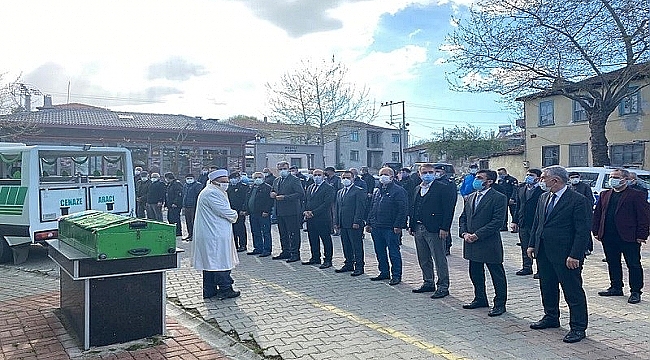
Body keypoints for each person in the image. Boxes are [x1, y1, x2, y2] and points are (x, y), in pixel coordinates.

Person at [527, 165, 590, 343]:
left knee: (572, 291)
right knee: (547, 286)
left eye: (543, 178)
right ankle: (551, 317)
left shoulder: (578, 200)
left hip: (566, 255)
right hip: (544, 251)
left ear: (556, 180)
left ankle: (578, 327)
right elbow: (538, 223)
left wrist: (575, 255)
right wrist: (532, 244)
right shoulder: (543, 197)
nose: (541, 180)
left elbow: (582, 231)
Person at [592, 168, 650, 304]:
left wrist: (642, 235)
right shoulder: (605, 194)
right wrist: (596, 231)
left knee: (633, 264)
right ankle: (616, 286)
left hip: (629, 236)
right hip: (608, 235)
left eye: (616, 177)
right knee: (612, 262)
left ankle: (635, 291)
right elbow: (598, 214)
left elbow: (644, 217)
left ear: (625, 179)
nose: (613, 179)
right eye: (611, 177)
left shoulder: (636, 195)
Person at [459, 169, 508, 317]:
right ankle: (480, 298)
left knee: (496, 274)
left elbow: (497, 222)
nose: (476, 180)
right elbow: (463, 218)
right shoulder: (471, 197)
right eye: (476, 177)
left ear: (489, 182)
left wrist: (477, 235)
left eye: (480, 178)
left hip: (488, 242)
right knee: (475, 272)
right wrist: (464, 233)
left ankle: (500, 304)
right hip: (471, 242)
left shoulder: (498, 198)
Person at [409, 163, 457, 299]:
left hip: (435, 229)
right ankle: (428, 282)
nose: (428, 175)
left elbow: (448, 210)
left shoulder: (443, 188)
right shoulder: (418, 188)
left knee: (439, 258)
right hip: (419, 227)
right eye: (424, 172)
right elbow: (413, 207)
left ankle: (443, 286)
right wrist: (411, 226)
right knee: (423, 258)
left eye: (431, 172)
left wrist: (444, 228)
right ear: (419, 174)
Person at [191, 169, 240, 300]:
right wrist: (235, 214)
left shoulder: (214, 191)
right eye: (223, 182)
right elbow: (225, 212)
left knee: (210, 263)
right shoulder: (212, 193)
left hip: (214, 233)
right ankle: (225, 288)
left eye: (227, 181)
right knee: (219, 262)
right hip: (214, 234)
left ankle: (210, 290)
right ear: (214, 181)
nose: (226, 184)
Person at [366, 167, 408, 285]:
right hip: (376, 227)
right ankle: (384, 272)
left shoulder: (398, 190)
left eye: (385, 174)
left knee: (393, 252)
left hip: (390, 227)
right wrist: (369, 223)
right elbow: (372, 207)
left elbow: (402, 209)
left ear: (392, 176)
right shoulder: (377, 190)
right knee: (380, 251)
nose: (383, 176)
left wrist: (398, 225)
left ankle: (396, 275)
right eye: (381, 174)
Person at [511, 169, 544, 277]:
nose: (528, 177)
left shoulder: (542, 191)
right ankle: (527, 267)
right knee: (525, 246)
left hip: (537, 223)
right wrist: (514, 221)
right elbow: (518, 206)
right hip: (523, 222)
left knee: (538, 247)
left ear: (538, 178)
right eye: (527, 174)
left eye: (531, 175)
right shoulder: (521, 189)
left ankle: (540, 270)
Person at [334, 170, 367, 276]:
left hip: (354, 223)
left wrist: (357, 221)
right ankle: (348, 263)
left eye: (348, 178)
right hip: (343, 223)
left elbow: (360, 208)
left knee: (356, 246)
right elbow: (337, 208)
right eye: (343, 178)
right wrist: (337, 222)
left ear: (353, 179)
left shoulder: (358, 191)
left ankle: (359, 266)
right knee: (346, 245)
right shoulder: (340, 192)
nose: (345, 180)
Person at [271, 161, 305, 262]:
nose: (282, 171)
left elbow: (300, 194)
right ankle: (285, 251)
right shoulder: (277, 180)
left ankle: (295, 253)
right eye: (280, 169)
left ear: (288, 169)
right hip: (280, 211)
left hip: (292, 211)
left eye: (284, 168)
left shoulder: (294, 180)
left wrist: (285, 197)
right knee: (283, 233)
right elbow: (273, 190)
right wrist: (272, 193)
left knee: (293, 233)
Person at [302, 169, 336, 269]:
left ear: (323, 176)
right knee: (313, 239)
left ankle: (328, 260)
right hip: (310, 218)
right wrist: (305, 211)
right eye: (315, 175)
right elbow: (306, 200)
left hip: (322, 218)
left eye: (319, 175)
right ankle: (315, 257)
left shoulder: (328, 188)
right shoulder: (310, 187)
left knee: (326, 239)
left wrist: (314, 212)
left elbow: (327, 204)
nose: (317, 177)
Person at [247, 172, 274, 256]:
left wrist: (267, 211)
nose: (257, 179)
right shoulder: (252, 187)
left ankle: (267, 249)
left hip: (263, 214)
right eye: (255, 178)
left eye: (259, 177)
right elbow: (248, 199)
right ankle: (258, 248)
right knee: (255, 231)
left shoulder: (267, 188)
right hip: (253, 213)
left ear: (263, 178)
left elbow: (270, 201)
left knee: (265, 232)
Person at [568, 172, 596, 255]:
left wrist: (587, 210)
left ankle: (587, 247)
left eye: (576, 177)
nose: (574, 179)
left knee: (585, 231)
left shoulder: (585, 187)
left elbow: (590, 200)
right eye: (572, 177)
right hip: (571, 213)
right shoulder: (569, 187)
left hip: (584, 212)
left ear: (579, 177)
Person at [227, 172, 249, 252]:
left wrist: (244, 210)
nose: (233, 180)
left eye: (235, 178)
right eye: (231, 178)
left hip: (240, 211)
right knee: (232, 229)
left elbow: (246, 199)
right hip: (231, 211)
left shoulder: (244, 187)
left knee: (241, 228)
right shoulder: (228, 187)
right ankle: (234, 245)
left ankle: (243, 245)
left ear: (239, 178)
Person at [182, 173, 203, 241]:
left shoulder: (197, 185)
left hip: (194, 206)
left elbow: (199, 196)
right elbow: (184, 195)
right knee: (188, 221)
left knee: (193, 221)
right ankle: (190, 234)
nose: (189, 180)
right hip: (187, 206)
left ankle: (195, 235)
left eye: (191, 178)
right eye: (187, 178)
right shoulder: (185, 185)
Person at [164, 172, 184, 237]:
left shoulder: (176, 184)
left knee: (175, 218)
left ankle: (178, 232)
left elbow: (179, 194)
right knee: (170, 218)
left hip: (175, 205)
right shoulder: (170, 184)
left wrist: (175, 202)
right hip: (170, 205)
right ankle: (173, 231)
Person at [324, 166, 342, 235]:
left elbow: (339, 188)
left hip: (335, 200)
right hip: (327, 200)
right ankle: (331, 230)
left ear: (331, 171)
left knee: (335, 215)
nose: (326, 173)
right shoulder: (326, 179)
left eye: (327, 171)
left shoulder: (337, 179)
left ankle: (337, 230)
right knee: (329, 216)